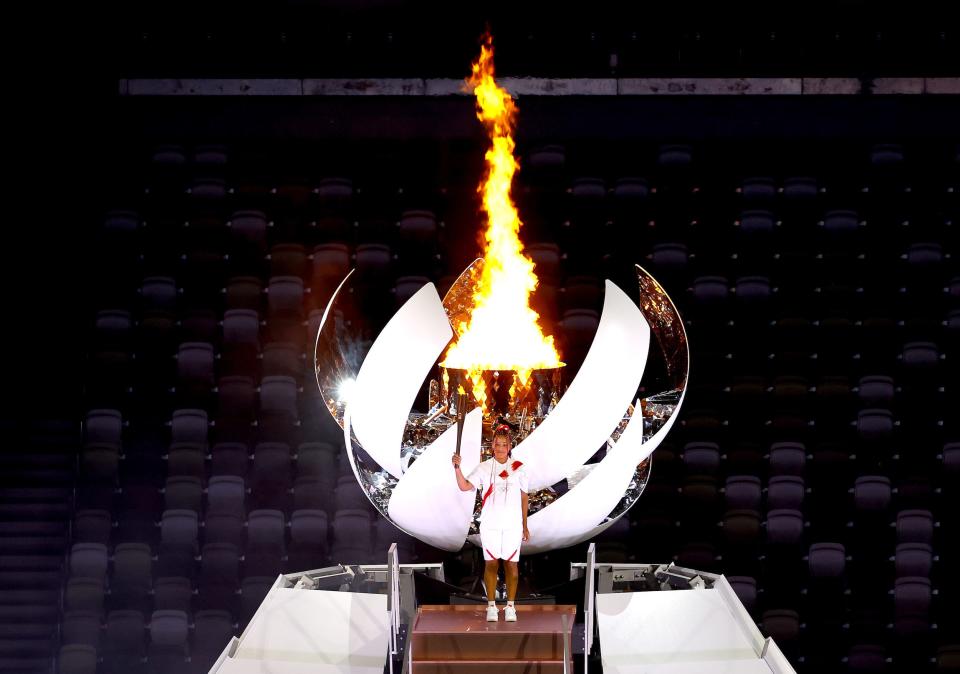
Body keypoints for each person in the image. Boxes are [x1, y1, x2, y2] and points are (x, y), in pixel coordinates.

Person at [452, 423, 530, 622]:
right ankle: (492, 606)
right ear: (492, 446)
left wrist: (525, 525)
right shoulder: (484, 468)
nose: (501, 448)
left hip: (512, 524)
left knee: (512, 566)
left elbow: (524, 498)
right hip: (491, 524)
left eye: (504, 444)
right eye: (497, 444)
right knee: (492, 564)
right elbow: (464, 486)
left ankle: (511, 606)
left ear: (510, 446)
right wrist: (457, 467)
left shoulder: (519, 468)